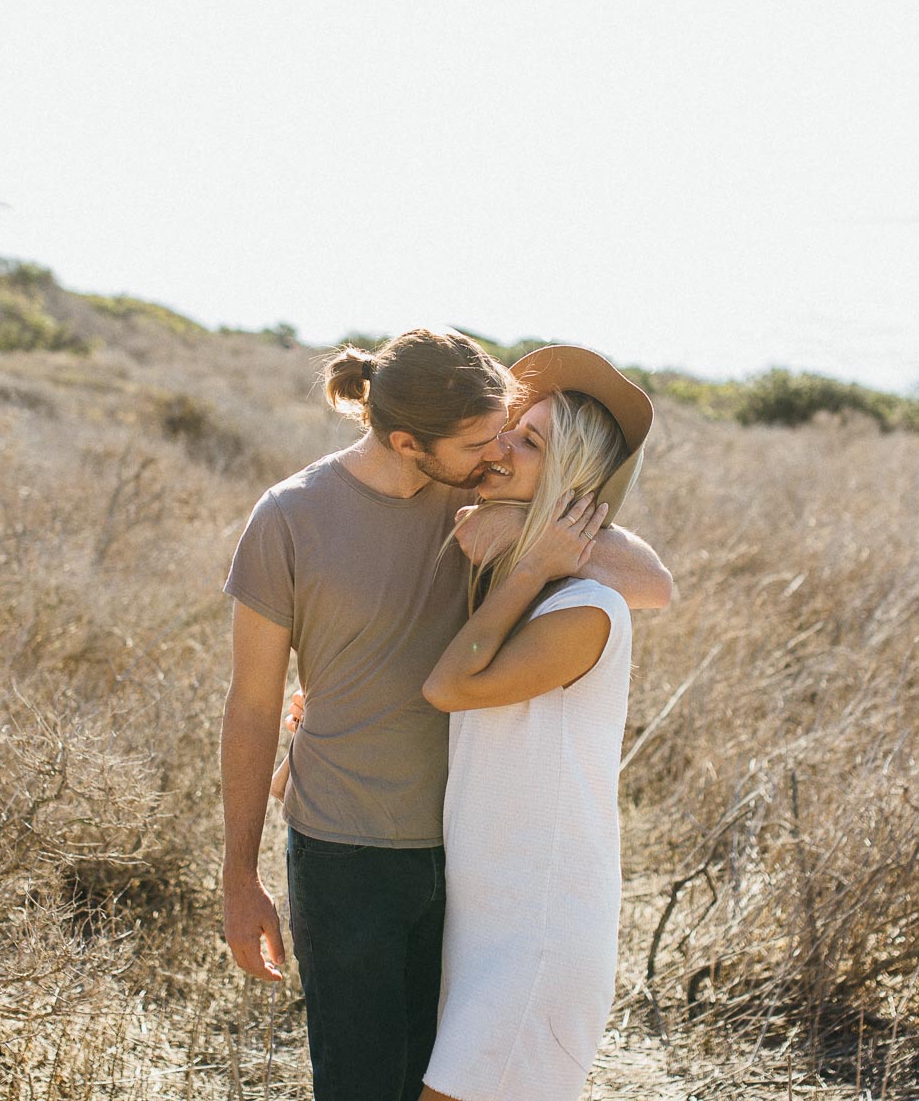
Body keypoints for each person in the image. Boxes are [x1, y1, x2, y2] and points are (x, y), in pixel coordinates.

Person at [221, 329, 672, 1101]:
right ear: (409, 442)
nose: (496, 454)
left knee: (441, 1077)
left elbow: (653, 581)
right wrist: (238, 874)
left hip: (468, 859)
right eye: (479, 442)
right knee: (361, 1083)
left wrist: (528, 536)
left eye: (508, 434)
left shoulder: (481, 496)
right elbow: (253, 704)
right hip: (345, 849)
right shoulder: (290, 517)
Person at [417, 346, 648, 1101]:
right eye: (514, 426)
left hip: (539, 932)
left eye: (533, 440)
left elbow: (450, 686)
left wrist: (526, 562)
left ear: (570, 480)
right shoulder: (500, 586)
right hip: (481, 917)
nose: (504, 443)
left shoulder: (583, 609)